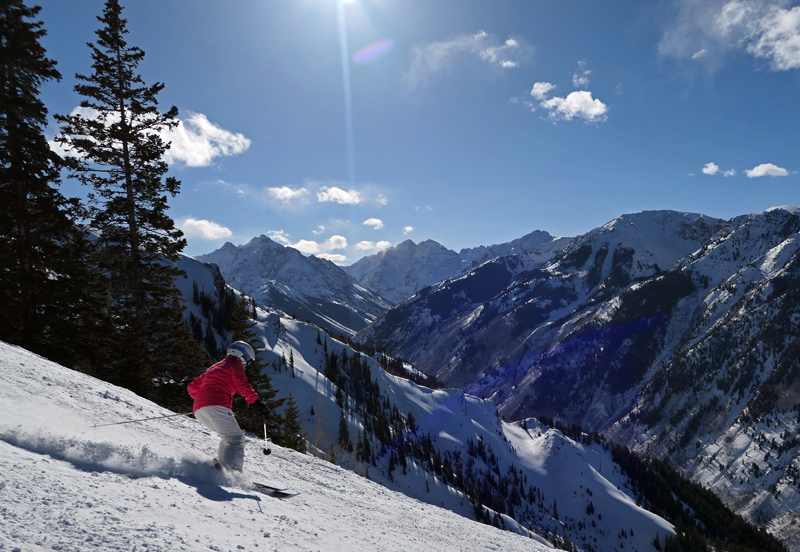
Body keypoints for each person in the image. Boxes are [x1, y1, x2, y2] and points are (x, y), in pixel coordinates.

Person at [188, 341, 269, 471]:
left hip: (199, 410)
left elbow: (191, 387)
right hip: (216, 406)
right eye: (248, 359)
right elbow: (244, 386)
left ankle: (221, 466)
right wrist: (258, 404)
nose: (247, 363)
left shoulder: (214, 367)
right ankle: (232, 471)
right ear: (241, 354)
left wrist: (203, 401)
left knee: (228, 436)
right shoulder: (234, 365)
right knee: (235, 438)